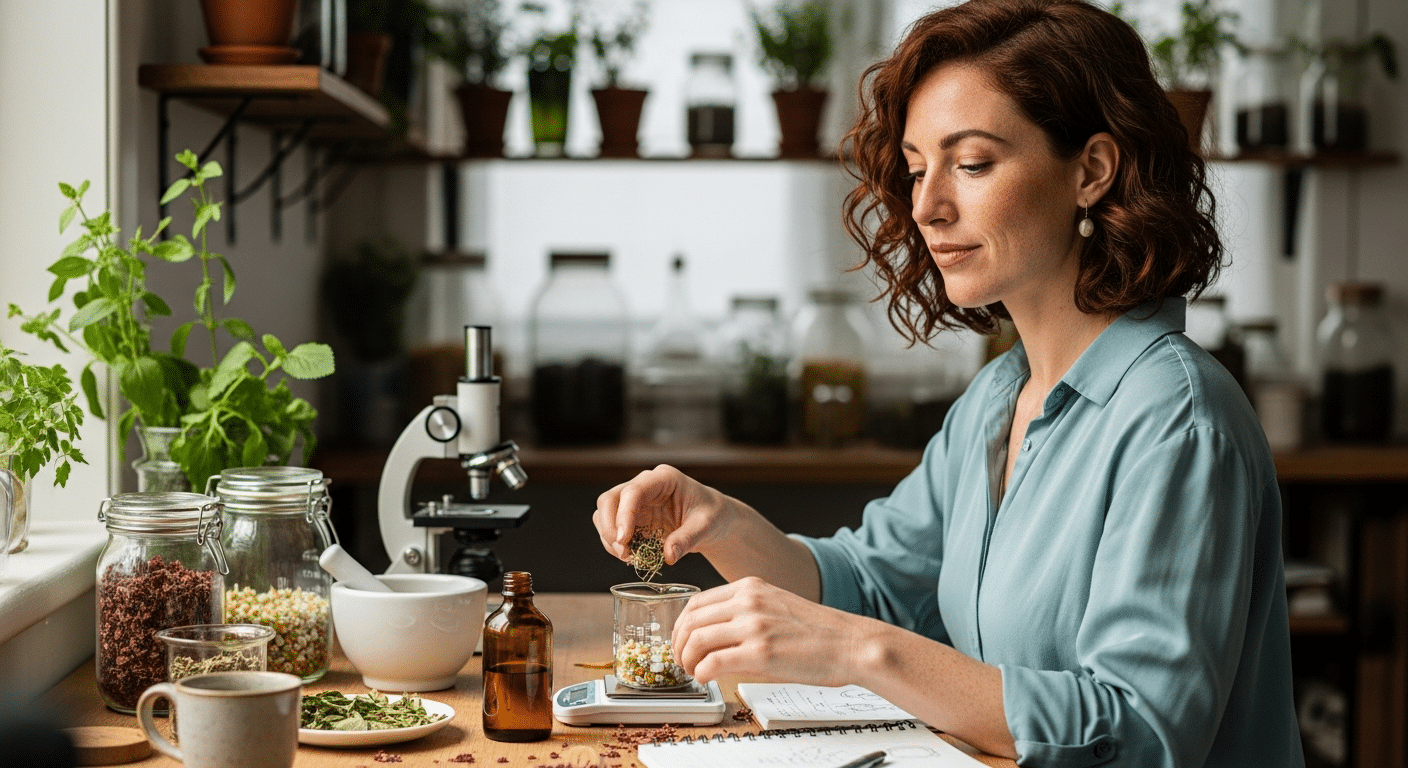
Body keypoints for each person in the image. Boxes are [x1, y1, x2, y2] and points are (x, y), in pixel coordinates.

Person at [594, 0, 1304, 765]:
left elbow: (1138, 731)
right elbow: (868, 587)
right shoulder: (999, 400)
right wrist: (724, 523)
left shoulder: (1178, 420)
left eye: (971, 165)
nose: (928, 207)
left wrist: (862, 653)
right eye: (916, 169)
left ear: (1091, 171)